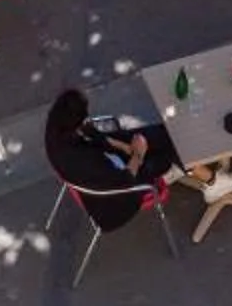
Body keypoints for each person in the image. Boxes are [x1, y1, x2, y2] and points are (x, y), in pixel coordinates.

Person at [43, 87, 180, 231]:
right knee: (164, 160)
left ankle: (175, 146)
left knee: (157, 134)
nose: (87, 119)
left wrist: (124, 147)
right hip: (116, 198)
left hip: (107, 162)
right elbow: (124, 180)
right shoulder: (84, 162)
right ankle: (178, 166)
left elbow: (91, 133)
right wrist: (137, 154)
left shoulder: (56, 128)